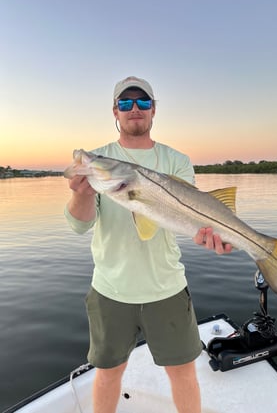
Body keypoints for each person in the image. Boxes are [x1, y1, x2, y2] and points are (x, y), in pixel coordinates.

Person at [65, 76, 232, 413]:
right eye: (125, 103)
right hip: (111, 288)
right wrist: (79, 193)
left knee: (184, 373)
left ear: (154, 109)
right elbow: (80, 225)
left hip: (166, 287)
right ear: (115, 111)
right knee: (108, 374)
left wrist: (213, 236)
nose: (134, 109)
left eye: (142, 102)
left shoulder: (177, 160)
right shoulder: (103, 163)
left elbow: (194, 219)